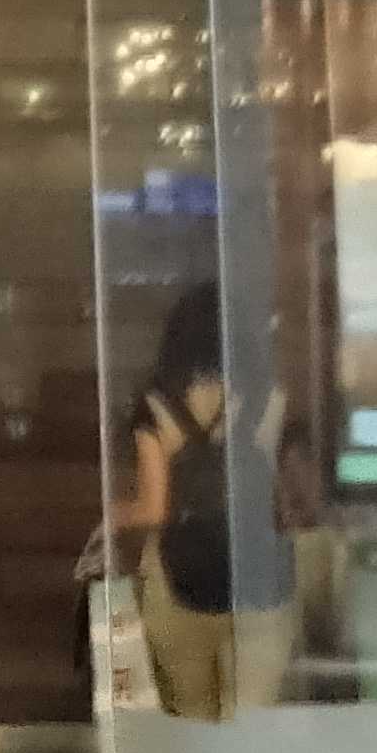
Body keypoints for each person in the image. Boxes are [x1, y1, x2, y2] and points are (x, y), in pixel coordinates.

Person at [111, 282, 296, 721]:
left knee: (193, 725)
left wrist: (112, 513)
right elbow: (286, 499)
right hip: (259, 584)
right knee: (253, 728)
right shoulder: (273, 399)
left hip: (178, 584)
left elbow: (155, 509)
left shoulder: (156, 406)